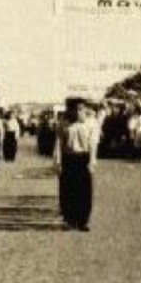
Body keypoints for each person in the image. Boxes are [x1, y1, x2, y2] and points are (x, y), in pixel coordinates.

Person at [54, 99, 99, 231]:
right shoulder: (64, 123)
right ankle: (68, 219)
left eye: (80, 109)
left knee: (84, 190)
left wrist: (92, 161)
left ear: (85, 110)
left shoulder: (91, 124)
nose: (78, 112)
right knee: (67, 189)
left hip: (83, 158)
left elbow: (93, 144)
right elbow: (58, 143)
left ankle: (83, 220)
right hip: (68, 158)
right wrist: (58, 161)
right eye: (75, 109)